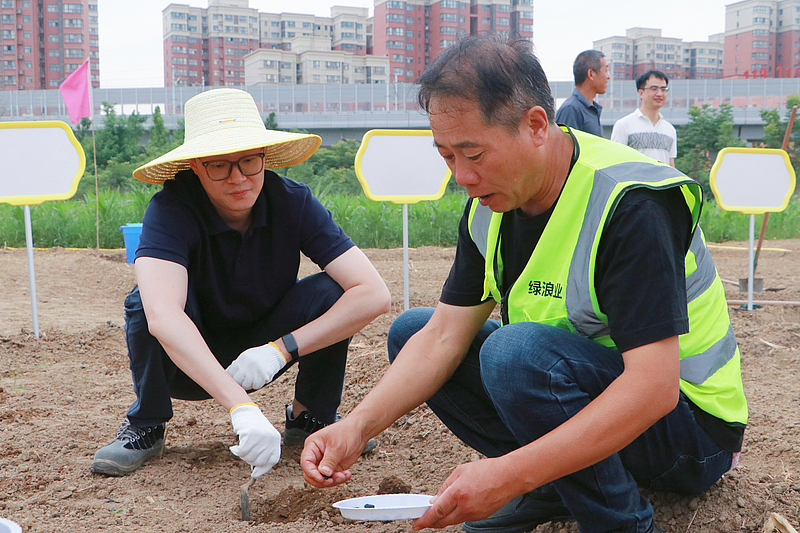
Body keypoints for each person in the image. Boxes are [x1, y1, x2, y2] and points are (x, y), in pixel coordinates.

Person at [301, 35, 747, 533]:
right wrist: (355, 427)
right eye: (447, 156)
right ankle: (556, 485)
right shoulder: (489, 206)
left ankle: (621, 523)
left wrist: (508, 475)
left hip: (690, 433)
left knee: (514, 353)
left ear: (536, 126)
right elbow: (443, 336)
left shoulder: (630, 203)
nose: (462, 176)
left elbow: (653, 389)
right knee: (412, 332)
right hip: (597, 396)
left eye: (473, 154)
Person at [91, 88, 391, 479]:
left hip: (264, 348)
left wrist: (280, 350)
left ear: (263, 156)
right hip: (188, 358)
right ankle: (147, 423)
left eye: (249, 161)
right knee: (143, 302)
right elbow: (164, 317)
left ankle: (311, 418)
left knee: (332, 291)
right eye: (219, 165)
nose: (238, 178)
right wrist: (241, 406)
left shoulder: (293, 202)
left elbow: (374, 294)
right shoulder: (170, 209)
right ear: (196, 166)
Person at [611, 70, 677, 166]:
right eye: (654, 89)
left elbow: (671, 166)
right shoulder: (624, 125)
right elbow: (615, 162)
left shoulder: (669, 129)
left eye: (663, 89)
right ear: (641, 93)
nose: (659, 94)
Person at [554, 50, 609, 137]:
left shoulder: (591, 109)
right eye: (606, 70)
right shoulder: (571, 109)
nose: (608, 76)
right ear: (591, 74)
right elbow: (563, 144)